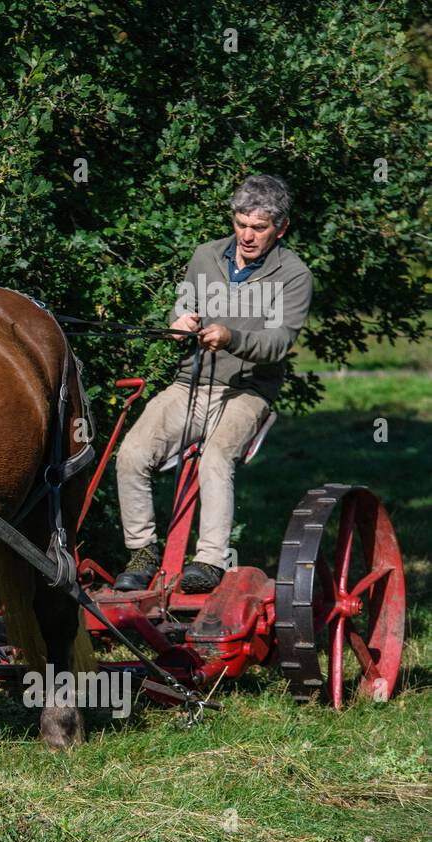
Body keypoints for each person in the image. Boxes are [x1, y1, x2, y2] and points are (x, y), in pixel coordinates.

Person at [113, 174, 314, 593]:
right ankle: (143, 551)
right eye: (241, 223)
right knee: (131, 453)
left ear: (282, 228)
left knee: (215, 460)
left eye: (258, 227)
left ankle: (209, 562)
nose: (246, 235)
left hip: (248, 391)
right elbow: (185, 305)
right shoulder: (206, 255)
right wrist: (179, 323)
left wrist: (231, 337)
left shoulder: (294, 275)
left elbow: (278, 342)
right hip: (190, 383)